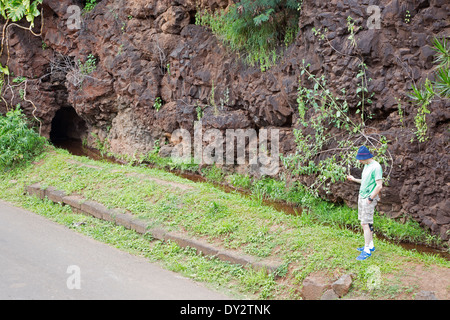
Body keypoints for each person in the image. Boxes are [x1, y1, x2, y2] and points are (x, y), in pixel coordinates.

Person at [347, 146, 383, 261]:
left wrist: (370, 198)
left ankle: (366, 250)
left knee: (365, 223)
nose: (359, 161)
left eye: (360, 159)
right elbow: (365, 181)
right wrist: (354, 179)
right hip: (362, 196)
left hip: (368, 198)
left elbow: (379, 185)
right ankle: (370, 245)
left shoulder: (376, 167)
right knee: (367, 223)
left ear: (365, 157)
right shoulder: (366, 166)